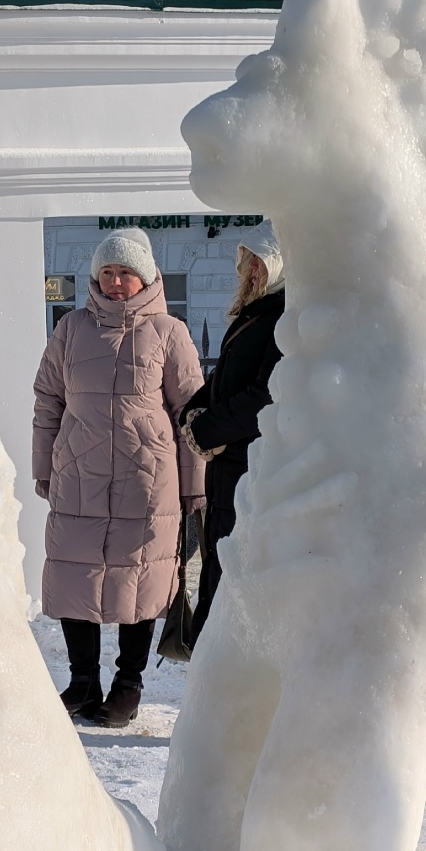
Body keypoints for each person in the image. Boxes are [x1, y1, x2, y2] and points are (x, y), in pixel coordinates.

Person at [33, 227, 205, 727]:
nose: (114, 281)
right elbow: (48, 400)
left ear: (145, 277)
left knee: (140, 579)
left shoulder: (169, 332)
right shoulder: (70, 329)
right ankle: (83, 681)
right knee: (75, 574)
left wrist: (195, 486)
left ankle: (128, 685)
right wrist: (44, 466)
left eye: (124, 272)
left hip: (147, 480)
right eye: (106, 271)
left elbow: (191, 413)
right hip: (78, 473)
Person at [180, 220, 285, 644]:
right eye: (249, 261)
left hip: (249, 470)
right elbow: (225, 379)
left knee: (232, 581)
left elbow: (265, 395)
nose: (252, 270)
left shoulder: (280, 318)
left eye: (262, 262)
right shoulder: (256, 314)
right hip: (228, 472)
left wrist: (205, 428)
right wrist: (191, 412)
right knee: (218, 567)